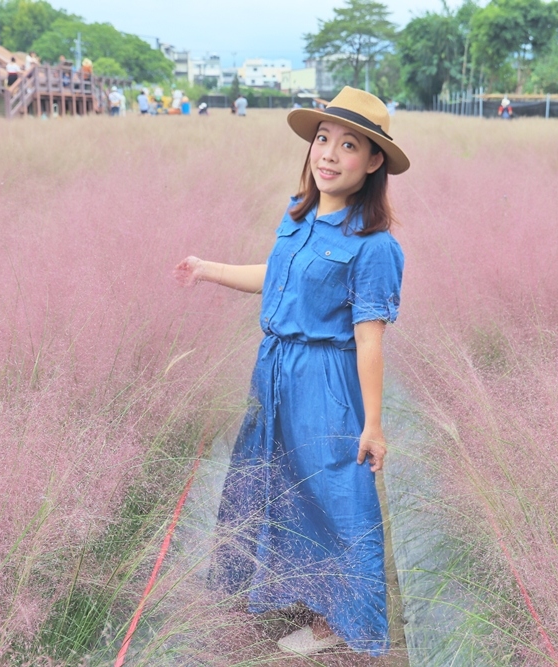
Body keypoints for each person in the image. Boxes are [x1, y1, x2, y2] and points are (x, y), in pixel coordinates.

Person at [173, 86, 410, 657]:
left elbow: (369, 340)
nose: (328, 154)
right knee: (277, 483)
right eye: (323, 139)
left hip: (325, 383)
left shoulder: (374, 247)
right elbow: (275, 275)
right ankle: (299, 593)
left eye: (348, 145)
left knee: (334, 493)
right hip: (275, 370)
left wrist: (373, 424)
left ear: (373, 161)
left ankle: (341, 625)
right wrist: (208, 269)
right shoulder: (298, 214)